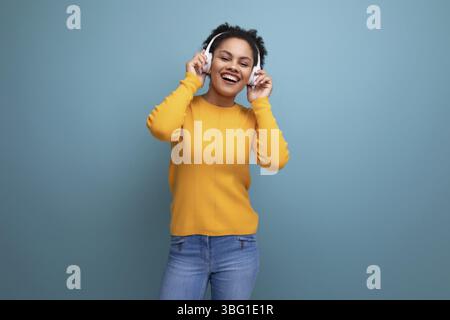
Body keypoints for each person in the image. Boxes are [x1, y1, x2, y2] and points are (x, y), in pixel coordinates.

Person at [146, 22, 290, 300]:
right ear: (208, 61)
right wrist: (190, 81)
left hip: (237, 247)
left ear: (253, 74)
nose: (233, 66)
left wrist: (260, 103)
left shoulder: (251, 119)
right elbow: (161, 128)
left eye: (244, 63)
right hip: (185, 246)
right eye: (225, 57)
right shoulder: (185, 109)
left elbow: (275, 160)